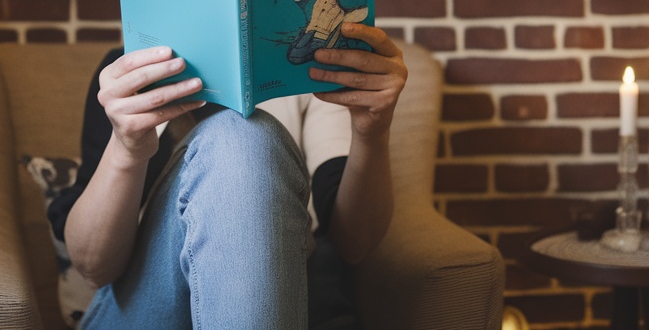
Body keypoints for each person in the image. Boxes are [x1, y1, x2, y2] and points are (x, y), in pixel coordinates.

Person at [45, 22, 408, 329]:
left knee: (244, 135)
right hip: (141, 309)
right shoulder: (133, 79)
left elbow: (355, 244)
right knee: (240, 135)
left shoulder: (313, 74)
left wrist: (373, 133)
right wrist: (126, 151)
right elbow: (93, 268)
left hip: (290, 300)